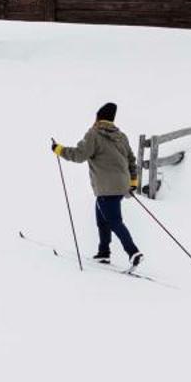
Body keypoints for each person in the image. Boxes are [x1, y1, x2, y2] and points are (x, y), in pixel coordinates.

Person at [51, 102, 142, 268]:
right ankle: (103, 253)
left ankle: (133, 251)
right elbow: (131, 160)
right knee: (103, 219)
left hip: (106, 186)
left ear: (98, 117)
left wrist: (59, 150)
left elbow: (79, 155)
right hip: (120, 186)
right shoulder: (121, 136)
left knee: (114, 221)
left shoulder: (94, 134)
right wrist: (133, 182)